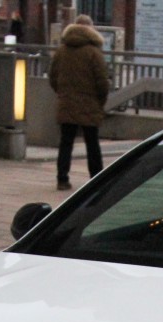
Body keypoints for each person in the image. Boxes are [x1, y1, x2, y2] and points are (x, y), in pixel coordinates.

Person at [48, 15, 109, 191]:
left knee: (66, 142)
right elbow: (102, 82)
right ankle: (96, 179)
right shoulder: (94, 52)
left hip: (66, 103)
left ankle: (62, 179)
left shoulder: (62, 50)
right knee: (92, 143)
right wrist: (100, 101)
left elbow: (53, 77)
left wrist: (63, 94)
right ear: (91, 30)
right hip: (89, 104)